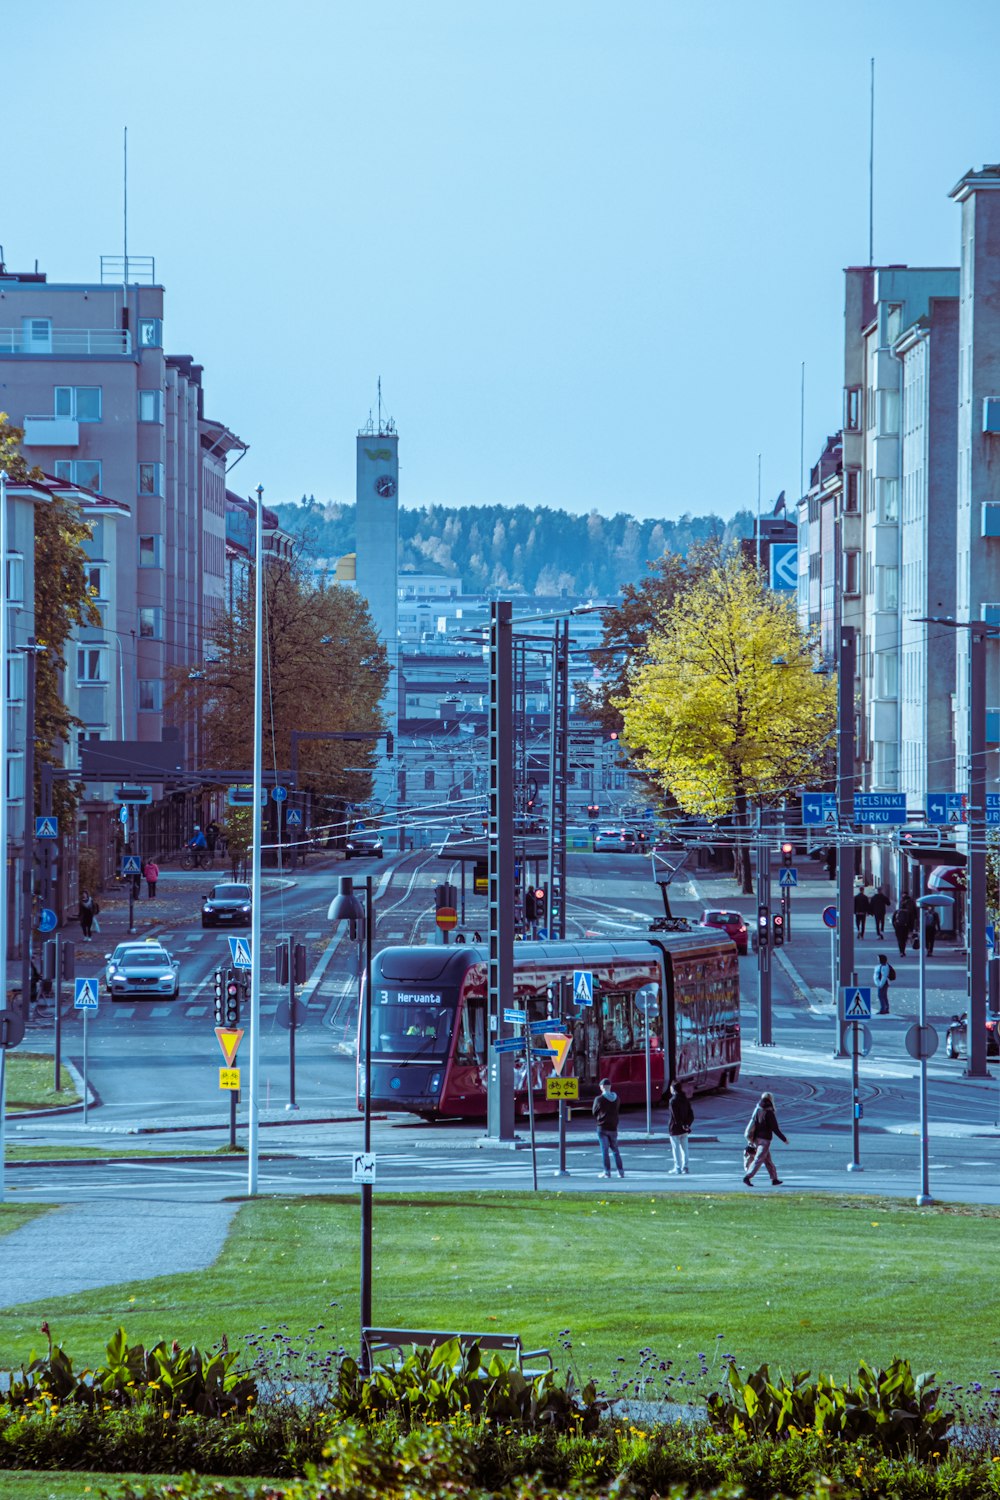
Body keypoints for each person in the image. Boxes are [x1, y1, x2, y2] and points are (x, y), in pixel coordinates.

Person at [743, 1091, 788, 1186]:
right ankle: (747, 1177)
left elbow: (752, 1123)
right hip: (765, 1140)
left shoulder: (757, 1110)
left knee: (767, 1160)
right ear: (771, 1100)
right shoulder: (769, 1112)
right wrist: (784, 1139)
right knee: (759, 1159)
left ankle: (774, 1179)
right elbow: (774, 1128)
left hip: (755, 1138)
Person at [592, 1077, 625, 1180]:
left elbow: (594, 1112)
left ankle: (607, 1172)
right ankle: (620, 1172)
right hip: (613, 1127)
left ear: (602, 1087)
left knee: (605, 1151)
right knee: (615, 1150)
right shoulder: (617, 1098)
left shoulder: (599, 1099)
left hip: (602, 1127)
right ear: (610, 1087)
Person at [666, 1079, 694, 1175]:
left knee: (676, 1148)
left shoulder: (672, 1101)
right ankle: (685, 1167)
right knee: (685, 1149)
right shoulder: (685, 1099)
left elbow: (675, 1116)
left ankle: (677, 1167)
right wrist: (686, 1125)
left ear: (673, 1089)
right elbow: (691, 1114)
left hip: (675, 1128)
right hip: (684, 1129)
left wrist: (681, 1125)